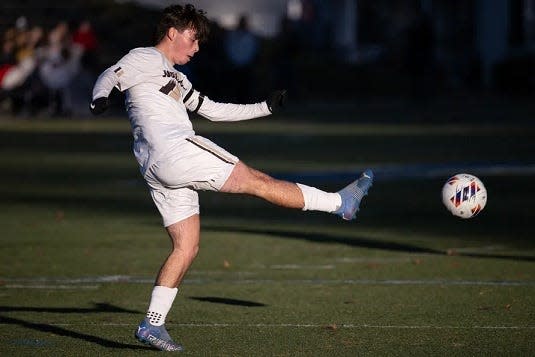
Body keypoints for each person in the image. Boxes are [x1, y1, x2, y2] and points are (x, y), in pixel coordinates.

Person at [90, 3, 373, 352]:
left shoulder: (176, 77)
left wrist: (263, 108)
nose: (196, 49)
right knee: (258, 182)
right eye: (193, 40)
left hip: (155, 166)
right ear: (172, 32)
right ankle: (339, 203)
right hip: (175, 150)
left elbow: (211, 110)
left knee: (186, 246)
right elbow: (111, 76)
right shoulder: (144, 58)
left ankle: (152, 324)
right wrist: (99, 99)